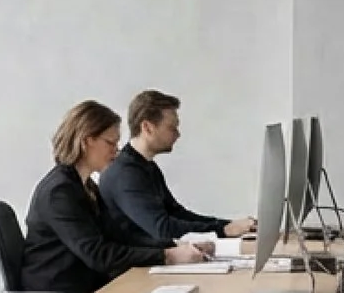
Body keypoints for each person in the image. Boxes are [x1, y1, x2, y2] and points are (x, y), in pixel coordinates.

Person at [22, 99, 210, 293]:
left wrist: (175, 247)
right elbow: (98, 254)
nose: (116, 151)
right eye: (110, 143)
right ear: (87, 141)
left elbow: (118, 236)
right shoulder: (59, 192)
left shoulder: (85, 187)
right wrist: (167, 256)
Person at [97, 89, 257, 246]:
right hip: (134, 270)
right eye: (172, 127)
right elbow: (163, 229)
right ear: (147, 127)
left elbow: (177, 213)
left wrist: (230, 225)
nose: (178, 134)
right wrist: (223, 230)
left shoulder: (145, 166)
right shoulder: (125, 174)